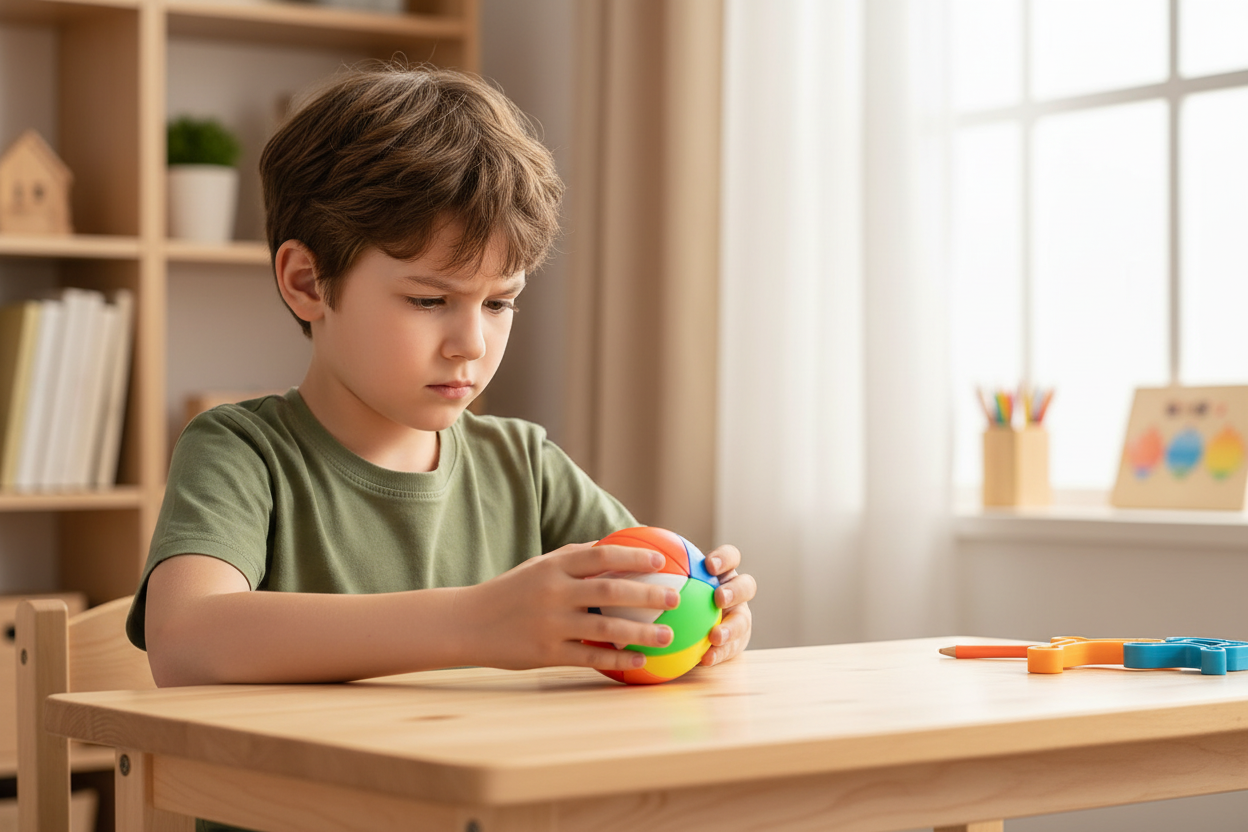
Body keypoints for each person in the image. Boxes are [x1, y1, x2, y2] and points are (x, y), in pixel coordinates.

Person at [126, 63, 755, 693]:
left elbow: (642, 606)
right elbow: (186, 641)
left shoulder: (525, 467)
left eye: (499, 303)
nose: (471, 344)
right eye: (429, 301)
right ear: (307, 283)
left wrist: (701, 620)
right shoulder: (242, 453)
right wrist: (475, 622)